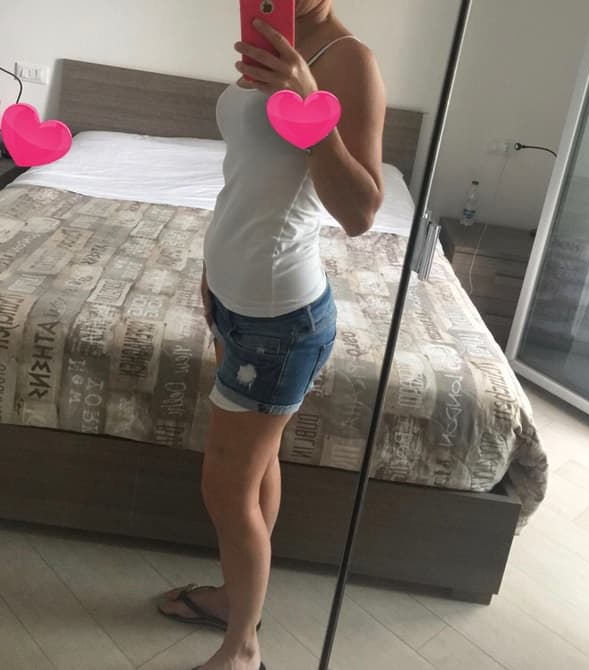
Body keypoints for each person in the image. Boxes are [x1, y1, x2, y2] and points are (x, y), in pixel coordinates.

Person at [157, 2, 386, 669]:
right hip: (234, 300)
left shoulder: (349, 60)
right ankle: (237, 601)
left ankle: (243, 649)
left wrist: (310, 104)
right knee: (254, 473)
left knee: (226, 488)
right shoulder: (270, 31)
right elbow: (250, 176)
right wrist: (214, 269)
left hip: (278, 319)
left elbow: (361, 212)